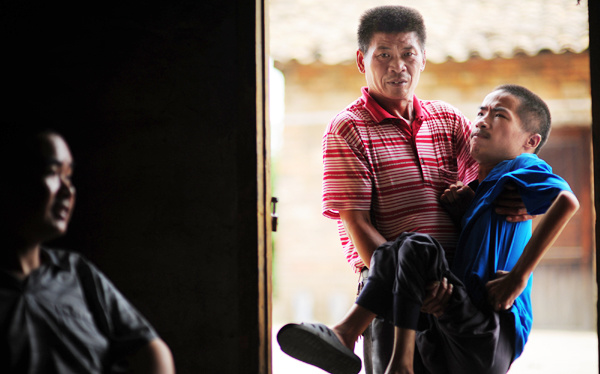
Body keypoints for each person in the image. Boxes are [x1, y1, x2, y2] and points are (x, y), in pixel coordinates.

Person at [278, 84, 579, 374]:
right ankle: (360, 340)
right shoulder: (482, 190)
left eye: (499, 116)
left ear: (531, 142)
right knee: (403, 248)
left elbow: (566, 201)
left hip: (493, 327)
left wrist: (517, 277)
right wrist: (465, 211)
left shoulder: (522, 167)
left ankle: (378, 349)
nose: (482, 122)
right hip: (455, 324)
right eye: (481, 112)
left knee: (416, 244)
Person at [320, 5, 531, 373]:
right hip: (391, 295)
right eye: (383, 55)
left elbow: (486, 186)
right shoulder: (347, 129)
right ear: (361, 60)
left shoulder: (448, 119)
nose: (397, 66)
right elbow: (357, 223)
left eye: (407, 54)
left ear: (423, 59)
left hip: (457, 286)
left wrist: (520, 199)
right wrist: (411, 289)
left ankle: (343, 333)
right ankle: (349, 333)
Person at [0, 128, 175, 374]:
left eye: (69, 176)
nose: (67, 190)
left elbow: (150, 348)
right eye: (52, 173)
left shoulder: (75, 271)